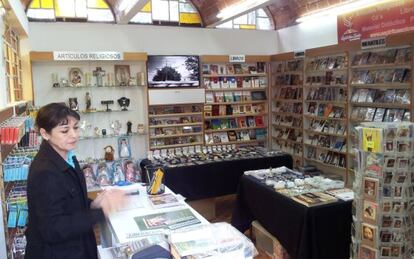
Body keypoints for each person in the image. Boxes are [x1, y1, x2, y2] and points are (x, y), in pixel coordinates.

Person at [25, 102, 127, 259]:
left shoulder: (67, 155)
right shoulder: (44, 171)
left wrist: (93, 203)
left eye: (76, 128)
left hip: (78, 246)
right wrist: (100, 212)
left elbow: (70, 198)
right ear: (45, 134)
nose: (74, 135)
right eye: (65, 131)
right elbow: (53, 228)